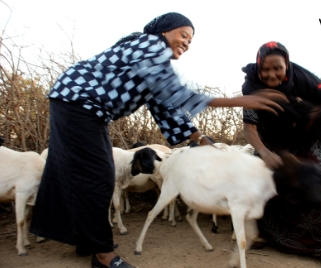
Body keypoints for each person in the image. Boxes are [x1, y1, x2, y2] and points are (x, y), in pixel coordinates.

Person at [30, 13, 287, 268]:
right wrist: (239, 101)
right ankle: (103, 257)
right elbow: (177, 93)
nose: (187, 43)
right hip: (78, 102)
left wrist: (203, 140)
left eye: (190, 41)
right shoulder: (150, 45)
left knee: (80, 172)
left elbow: (167, 107)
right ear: (164, 31)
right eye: (183, 35)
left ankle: (87, 241)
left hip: (81, 106)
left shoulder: (153, 63)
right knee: (98, 174)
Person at [241, 41, 321, 267]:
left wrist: (309, 115)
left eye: (277, 68)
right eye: (265, 69)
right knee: (268, 187)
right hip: (273, 142)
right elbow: (249, 128)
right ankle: (268, 237)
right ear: (258, 68)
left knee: (315, 184)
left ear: (287, 65)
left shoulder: (305, 82)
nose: (271, 74)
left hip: (307, 139)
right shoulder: (251, 87)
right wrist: (264, 152)